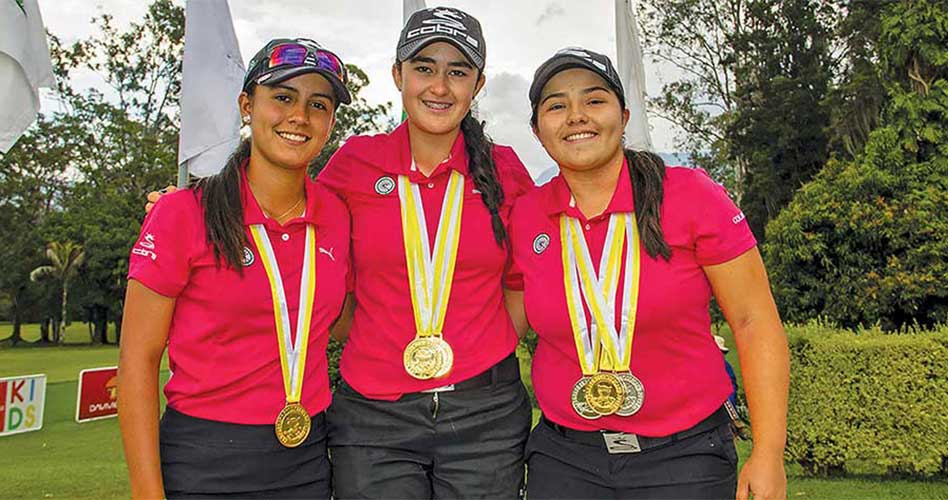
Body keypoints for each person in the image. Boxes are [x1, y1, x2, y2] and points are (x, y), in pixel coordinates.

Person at [507, 47, 789, 499]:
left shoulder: (691, 195)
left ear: (624, 115)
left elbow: (753, 322)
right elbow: (501, 321)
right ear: (539, 131)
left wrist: (769, 452)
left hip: (685, 458)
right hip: (565, 460)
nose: (576, 115)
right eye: (556, 105)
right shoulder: (526, 217)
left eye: (594, 100)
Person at [119, 38, 352, 499]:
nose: (299, 117)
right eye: (283, 97)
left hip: (306, 459)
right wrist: (148, 493)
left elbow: (337, 322)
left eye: (318, 104)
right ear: (247, 105)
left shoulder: (337, 216)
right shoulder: (184, 213)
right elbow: (137, 363)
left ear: (329, 122)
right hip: (203, 462)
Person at [316, 7, 534, 498]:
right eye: (424, 68)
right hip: (374, 416)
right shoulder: (355, 163)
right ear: (398, 75)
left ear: (477, 85)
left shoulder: (503, 169)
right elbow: (295, 232)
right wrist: (196, 206)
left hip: (486, 414)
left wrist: (483, 349)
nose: (439, 86)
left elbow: (521, 281)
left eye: (457, 71)